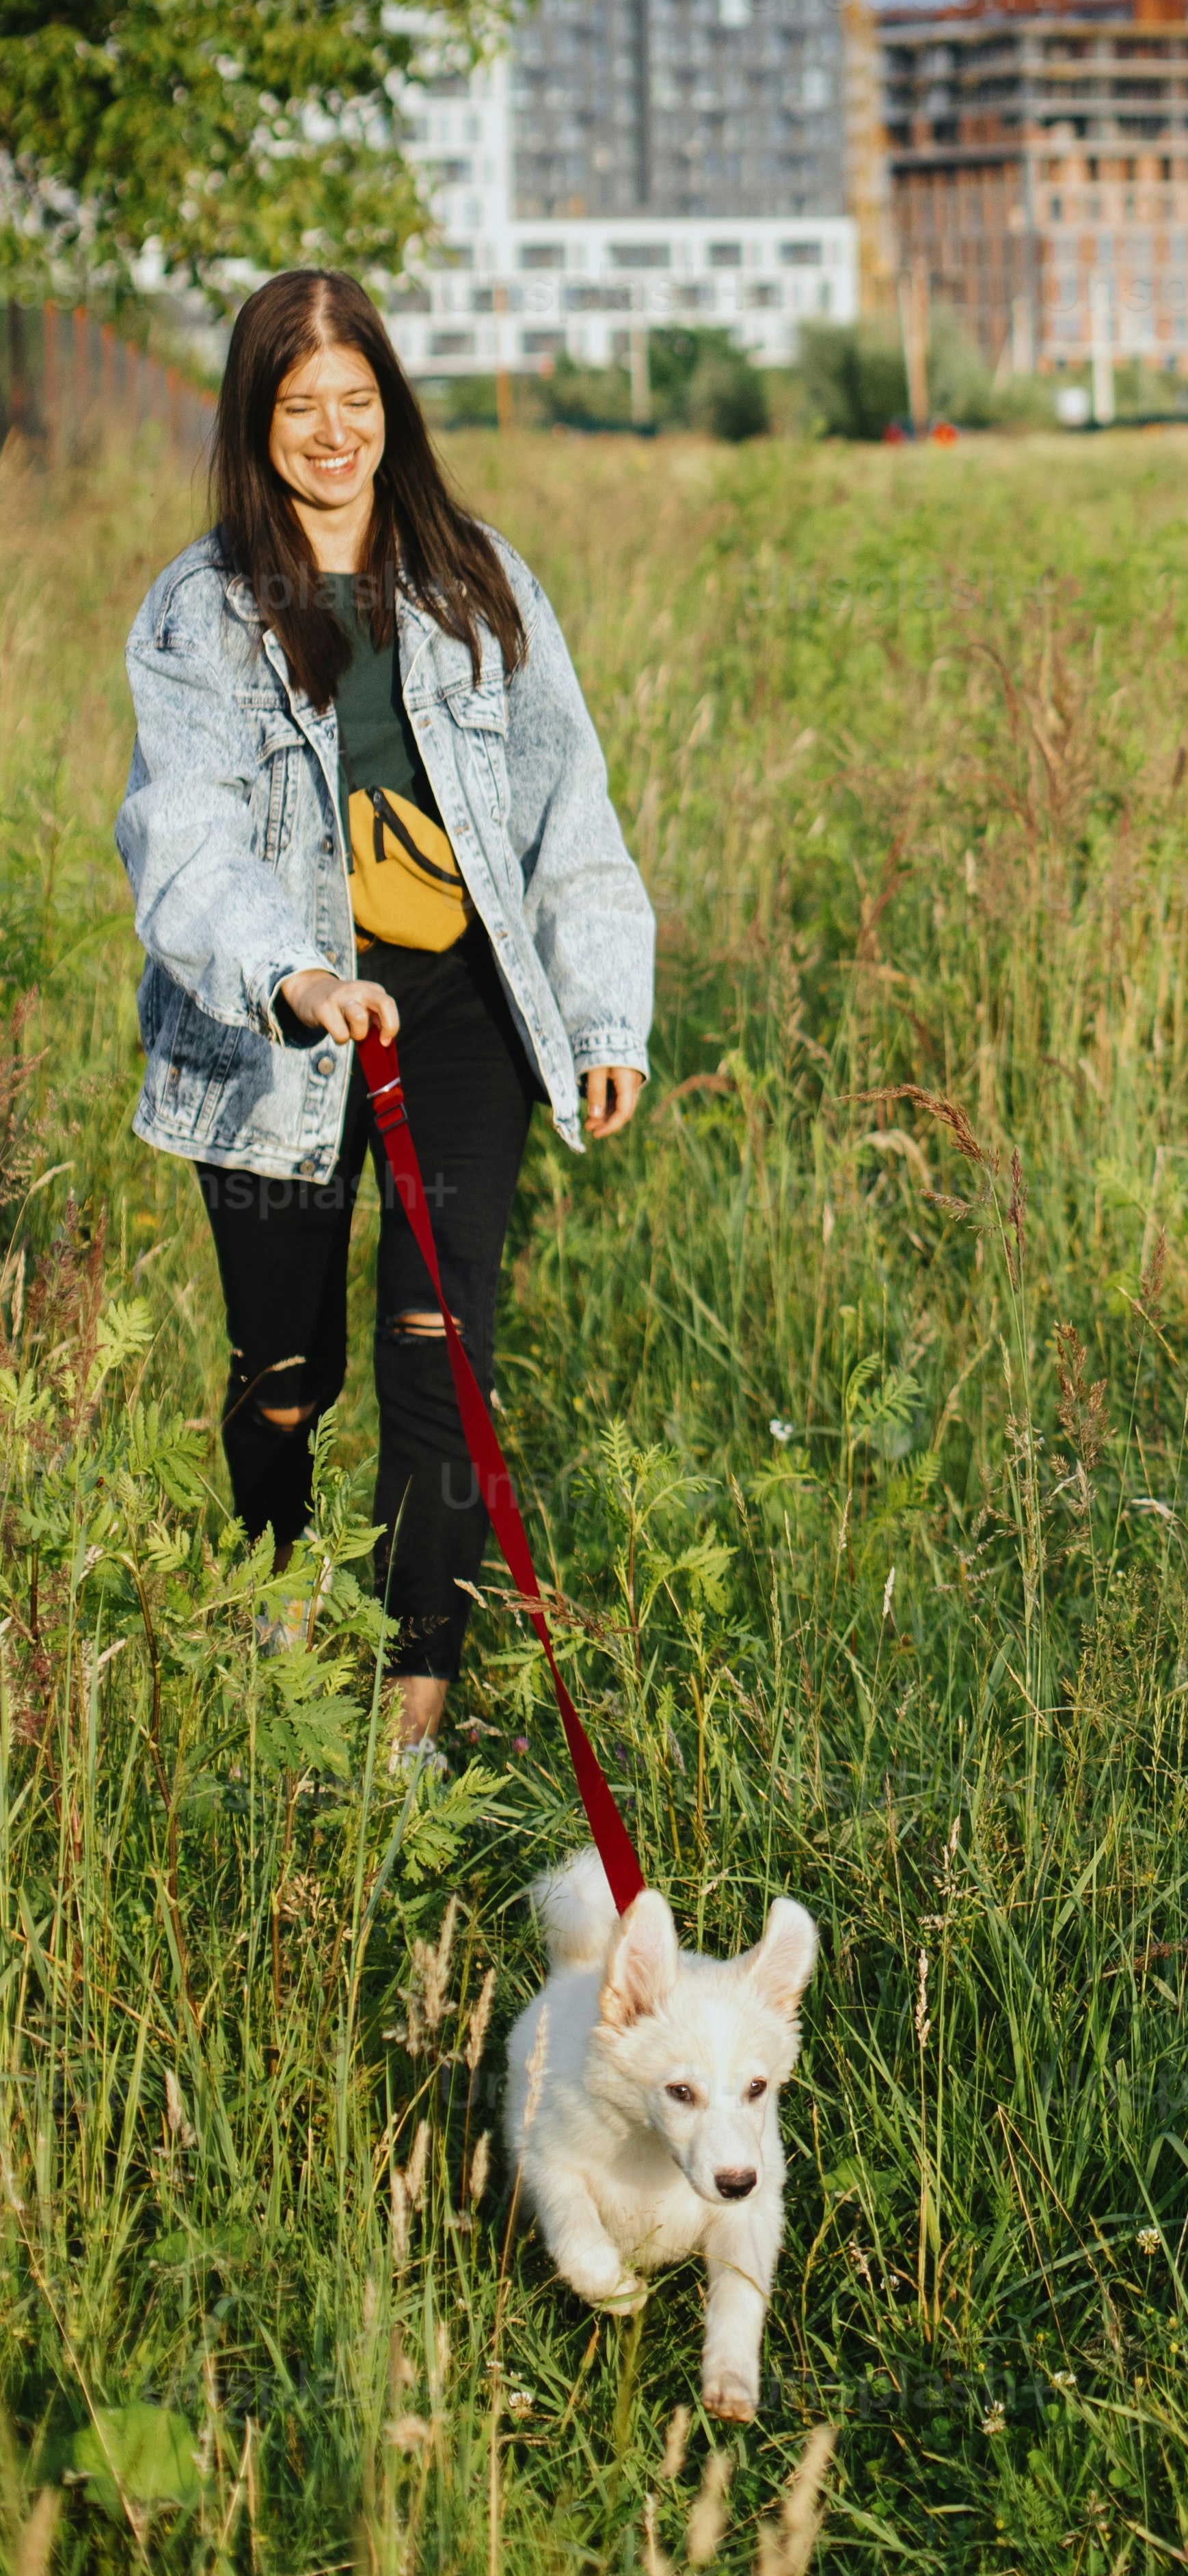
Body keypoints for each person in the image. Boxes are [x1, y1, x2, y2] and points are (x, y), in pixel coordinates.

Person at [116, 269, 654, 1768]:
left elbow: (572, 803)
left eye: (358, 402)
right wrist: (288, 971)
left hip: (454, 1009)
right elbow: (186, 835)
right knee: (285, 1374)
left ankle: (413, 1712)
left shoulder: (476, 575)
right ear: (257, 420)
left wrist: (606, 1010)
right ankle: (274, 1619)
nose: (334, 433)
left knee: (438, 1350)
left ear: (391, 409)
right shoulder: (201, 609)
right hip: (274, 1024)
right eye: (302, 408)